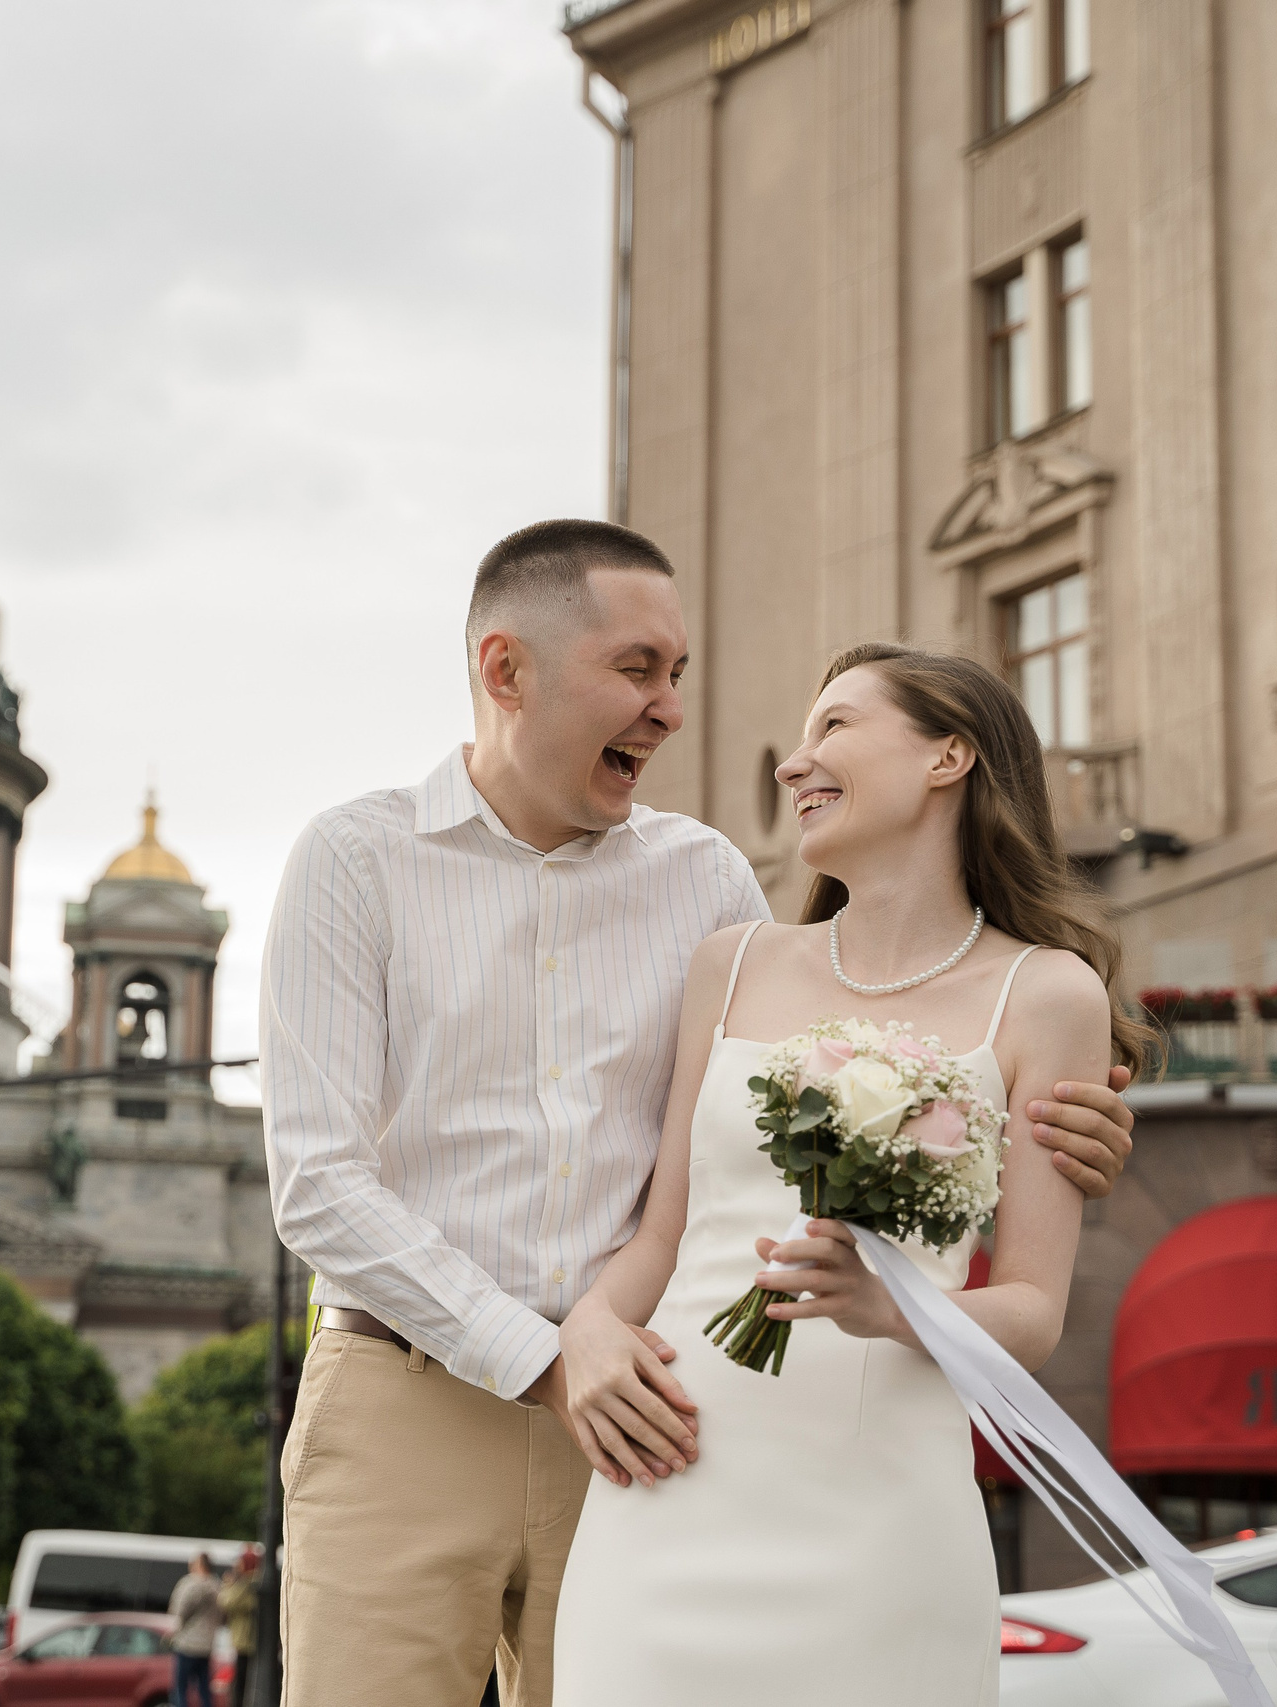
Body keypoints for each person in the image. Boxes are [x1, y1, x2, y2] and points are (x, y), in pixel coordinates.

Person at [263, 522, 1144, 1707]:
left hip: (666, 1425)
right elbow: (316, 1182)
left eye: (678, 674)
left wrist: (1030, 1120)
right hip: (413, 1400)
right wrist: (553, 1358)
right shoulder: (353, 862)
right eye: (637, 670)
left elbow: (855, 1046)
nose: (670, 709)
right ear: (506, 670)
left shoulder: (710, 887)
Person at [548, 642, 1149, 1702]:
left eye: (834, 726)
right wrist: (587, 1331)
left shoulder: (1047, 995)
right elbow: (663, 1235)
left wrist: (888, 1304)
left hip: (881, 1523)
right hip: (669, 1489)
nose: (794, 761)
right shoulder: (730, 964)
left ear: (946, 757)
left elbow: (1031, 1313)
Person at [164, 1553, 219, 1707]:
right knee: (204, 1690)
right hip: (207, 1645)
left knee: (180, 1689)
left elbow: (178, 1610)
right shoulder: (217, 1586)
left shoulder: (189, 1584)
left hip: (187, 1644)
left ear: (198, 1565)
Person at [217, 1546, 260, 1707]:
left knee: (241, 1682)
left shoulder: (247, 1582)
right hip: (247, 1638)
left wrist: (227, 1585)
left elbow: (226, 1601)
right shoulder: (252, 1581)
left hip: (245, 1640)